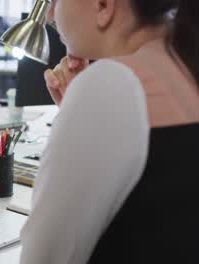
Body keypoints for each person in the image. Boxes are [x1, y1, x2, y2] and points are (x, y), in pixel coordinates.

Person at [20, 0, 199, 263]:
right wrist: (77, 115)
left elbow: (43, 256)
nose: (49, 14)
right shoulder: (185, 66)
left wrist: (84, 106)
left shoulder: (111, 84)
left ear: (103, 6)